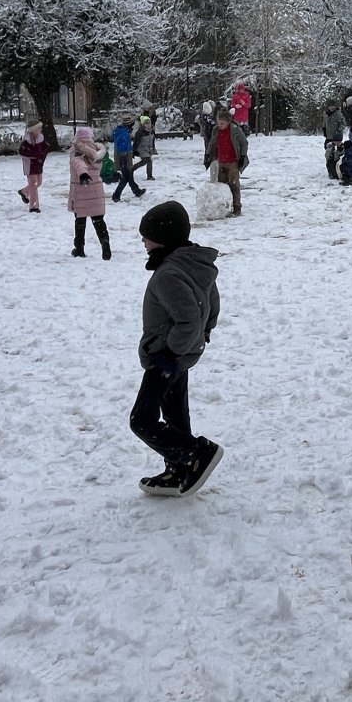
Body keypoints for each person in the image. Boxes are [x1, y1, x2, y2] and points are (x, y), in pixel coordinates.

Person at [131, 200, 224, 497]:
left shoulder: (168, 274)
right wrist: (202, 334)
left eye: (146, 236)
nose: (143, 241)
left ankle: (197, 453)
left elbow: (189, 318)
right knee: (175, 415)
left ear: (162, 238)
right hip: (180, 355)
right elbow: (210, 303)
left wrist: (170, 353)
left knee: (142, 421)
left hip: (166, 357)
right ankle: (179, 469)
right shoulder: (193, 265)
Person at [68, 127, 113, 260]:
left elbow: (78, 163)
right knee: (98, 220)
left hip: (81, 191)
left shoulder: (77, 151)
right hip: (96, 190)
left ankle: (79, 248)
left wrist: (83, 175)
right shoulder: (96, 152)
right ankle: (105, 243)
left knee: (80, 222)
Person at [204, 111, 249, 215]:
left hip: (233, 162)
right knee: (222, 185)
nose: (220, 125)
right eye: (218, 123)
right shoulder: (216, 130)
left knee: (234, 185)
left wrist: (243, 156)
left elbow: (244, 143)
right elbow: (212, 143)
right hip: (221, 161)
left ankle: (237, 207)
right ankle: (225, 207)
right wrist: (208, 154)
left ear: (228, 122)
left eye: (222, 123)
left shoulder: (235, 130)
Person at [111, 117, 146, 202]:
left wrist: (132, 152)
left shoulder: (121, 131)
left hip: (124, 157)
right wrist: (127, 156)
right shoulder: (124, 134)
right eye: (132, 124)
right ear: (128, 124)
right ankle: (116, 195)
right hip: (124, 158)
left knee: (129, 175)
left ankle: (136, 191)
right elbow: (123, 147)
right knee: (125, 177)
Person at [18, 121, 50, 212]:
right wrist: (33, 155)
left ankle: (24, 192)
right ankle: (34, 206)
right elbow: (21, 152)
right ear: (33, 130)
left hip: (38, 164)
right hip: (30, 166)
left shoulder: (41, 138)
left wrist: (43, 154)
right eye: (39, 128)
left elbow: (45, 148)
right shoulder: (27, 141)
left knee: (39, 182)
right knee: (33, 184)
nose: (41, 129)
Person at [322, 106, 345, 179]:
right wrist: (324, 129)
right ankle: (331, 167)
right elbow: (324, 122)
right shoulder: (325, 113)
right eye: (330, 106)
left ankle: (336, 167)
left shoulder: (338, 114)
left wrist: (338, 131)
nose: (332, 108)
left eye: (333, 106)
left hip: (336, 135)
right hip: (329, 135)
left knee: (339, 150)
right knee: (328, 150)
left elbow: (343, 123)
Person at [134, 115, 157, 180]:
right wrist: (134, 150)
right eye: (146, 123)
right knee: (148, 161)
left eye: (149, 123)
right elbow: (136, 142)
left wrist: (153, 148)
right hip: (141, 149)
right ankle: (149, 176)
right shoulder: (140, 132)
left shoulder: (151, 131)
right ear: (143, 124)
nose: (148, 125)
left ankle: (133, 168)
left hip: (148, 149)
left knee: (147, 161)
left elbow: (152, 140)